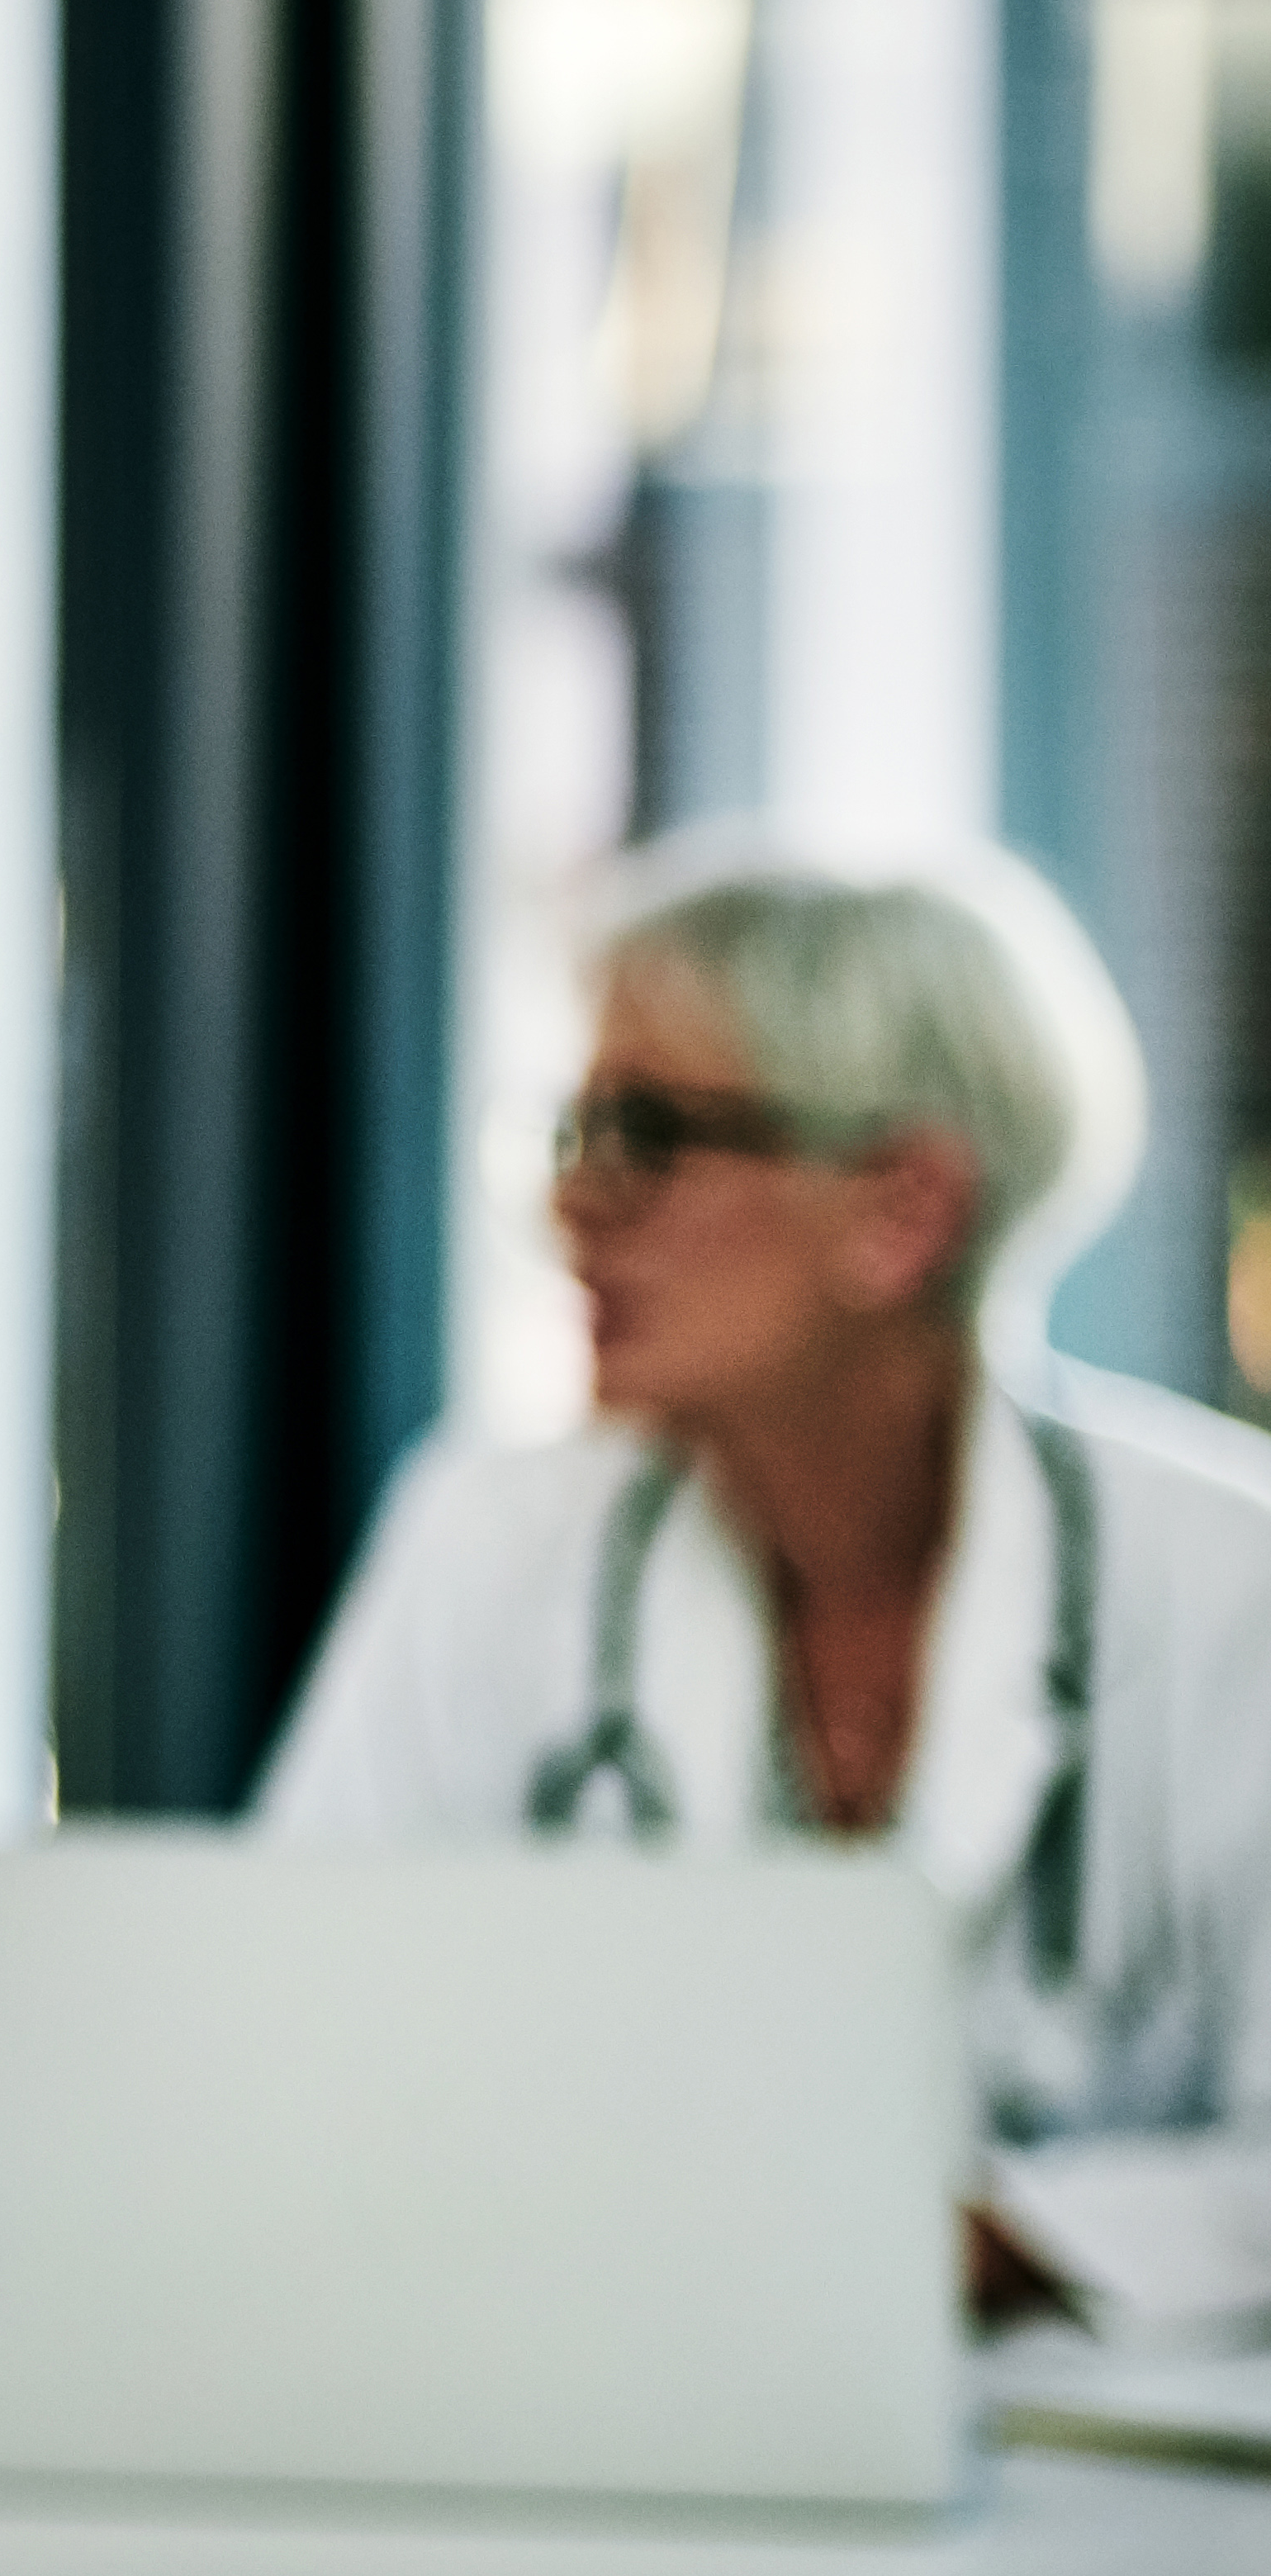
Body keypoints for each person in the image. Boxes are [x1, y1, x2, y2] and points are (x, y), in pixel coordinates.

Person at [264, 837, 1271, 2346]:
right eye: (569, 1137)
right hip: (594, 2407)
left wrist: (984, 2243)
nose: (570, 1213)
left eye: (647, 1134)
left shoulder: (1226, 1586)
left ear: (904, 1205)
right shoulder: (487, 1537)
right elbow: (290, 2041)